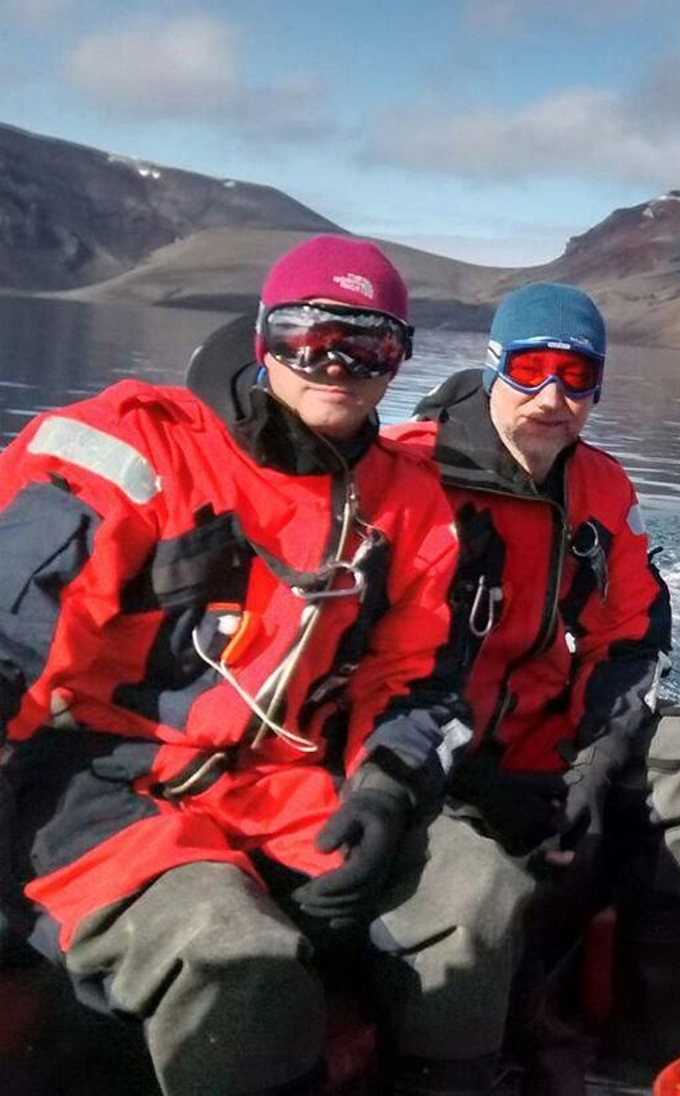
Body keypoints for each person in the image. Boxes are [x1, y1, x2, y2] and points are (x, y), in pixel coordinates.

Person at [0, 235, 535, 1096]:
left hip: (288, 783)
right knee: (238, 966)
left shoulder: (409, 504)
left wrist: (385, 790)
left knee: (480, 897)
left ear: (398, 362)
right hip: (102, 783)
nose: (336, 365)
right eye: (306, 337)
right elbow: (14, 633)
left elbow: (420, 682)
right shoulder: (132, 450)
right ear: (262, 339)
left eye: (369, 345)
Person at [385, 282, 680, 1082]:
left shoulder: (600, 489)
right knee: (480, 880)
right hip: (429, 747)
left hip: (543, 731)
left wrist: (594, 761)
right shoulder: (409, 473)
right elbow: (365, 662)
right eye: (532, 368)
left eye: (576, 377)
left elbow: (632, 636)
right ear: (493, 365)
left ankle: (649, 1021)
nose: (552, 397)